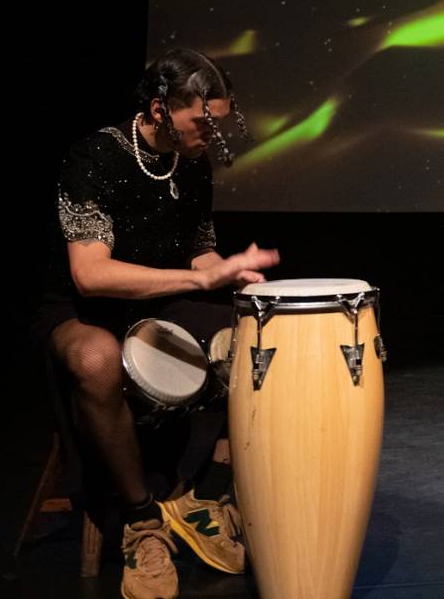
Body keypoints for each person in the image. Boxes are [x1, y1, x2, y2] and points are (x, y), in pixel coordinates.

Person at [35, 48, 279, 598]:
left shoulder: (192, 165)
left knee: (259, 331)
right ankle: (142, 522)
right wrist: (202, 281)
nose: (212, 135)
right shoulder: (93, 157)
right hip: (82, 312)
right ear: (160, 109)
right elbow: (91, 276)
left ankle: (202, 494)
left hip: (158, 303)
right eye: (202, 122)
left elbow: (199, 255)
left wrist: (237, 274)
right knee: (95, 359)